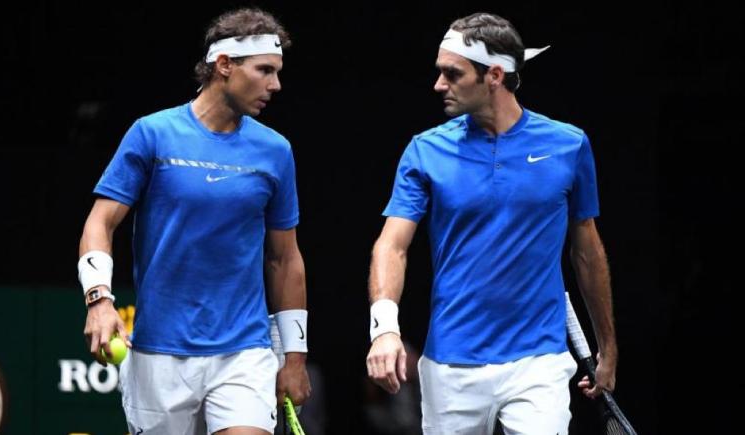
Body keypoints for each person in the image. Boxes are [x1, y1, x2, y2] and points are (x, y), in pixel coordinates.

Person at [365, 12, 618, 435]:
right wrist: (385, 329)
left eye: (452, 74)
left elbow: (587, 251)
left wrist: (607, 347)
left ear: (495, 75)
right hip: (450, 365)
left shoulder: (569, 145)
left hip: (538, 360)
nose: (438, 85)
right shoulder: (425, 151)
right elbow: (391, 245)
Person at [77, 8, 310, 435]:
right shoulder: (152, 134)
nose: (275, 85)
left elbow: (284, 259)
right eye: (265, 71)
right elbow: (99, 224)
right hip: (157, 352)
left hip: (244, 350)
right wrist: (99, 300)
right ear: (224, 66)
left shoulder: (275, 151)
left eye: (277, 72)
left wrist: (294, 357)